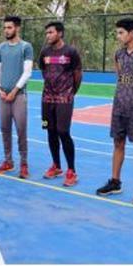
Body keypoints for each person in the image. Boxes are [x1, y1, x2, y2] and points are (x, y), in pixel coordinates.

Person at [98, 18, 133, 205]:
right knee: (118, 142)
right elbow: (120, 78)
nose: (118, 35)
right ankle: (115, 181)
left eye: (121, 32)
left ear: (132, 33)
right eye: (117, 32)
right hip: (120, 108)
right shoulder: (118, 54)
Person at [39, 21, 82, 186]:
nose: (48, 35)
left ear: (60, 33)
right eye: (47, 33)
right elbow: (44, 70)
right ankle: (56, 165)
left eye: (51, 32)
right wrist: (51, 89)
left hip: (65, 98)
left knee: (63, 131)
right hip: (47, 99)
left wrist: (71, 91)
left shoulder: (71, 52)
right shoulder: (44, 52)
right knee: (50, 131)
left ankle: (71, 170)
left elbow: (77, 73)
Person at [0, 15, 34, 179]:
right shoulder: (1, 47)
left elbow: (27, 72)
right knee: (4, 129)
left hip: (18, 96)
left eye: (9, 27)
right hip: (3, 96)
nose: (6, 30)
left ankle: (23, 163)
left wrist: (14, 91)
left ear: (17, 28)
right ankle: (8, 160)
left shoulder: (26, 47)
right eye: (4, 28)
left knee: (21, 130)